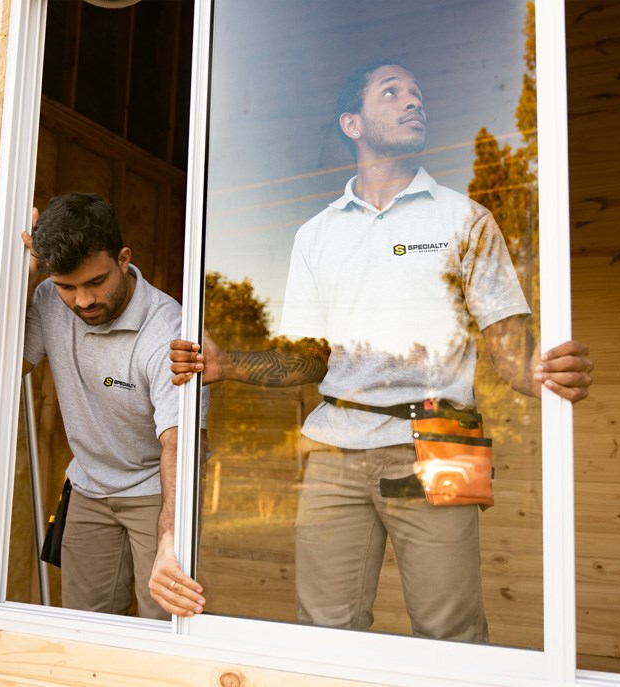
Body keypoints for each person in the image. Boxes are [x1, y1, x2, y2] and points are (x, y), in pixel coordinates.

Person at [159, 61, 593, 639]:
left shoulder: (466, 219)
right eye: (392, 92)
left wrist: (549, 374)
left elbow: (514, 357)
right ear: (353, 124)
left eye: (417, 93)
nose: (413, 100)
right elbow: (312, 358)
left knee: (452, 633)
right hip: (333, 448)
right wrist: (227, 365)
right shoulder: (316, 234)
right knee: (323, 629)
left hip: (445, 437)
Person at [22, 192, 205, 619]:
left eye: (95, 283)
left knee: (164, 620)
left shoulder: (168, 330)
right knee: (84, 622)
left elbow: (179, 443)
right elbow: (2, 370)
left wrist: (170, 536)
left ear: (124, 259)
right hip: (89, 486)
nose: (82, 301)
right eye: (67, 286)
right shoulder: (48, 298)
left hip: (156, 488)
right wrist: (23, 276)